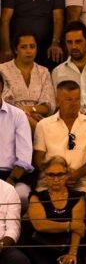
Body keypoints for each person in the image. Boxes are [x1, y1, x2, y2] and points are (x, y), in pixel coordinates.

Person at [33, 79, 86, 192]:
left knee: (84, 196)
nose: (74, 104)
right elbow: (38, 158)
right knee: (40, 198)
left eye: (77, 99)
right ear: (57, 101)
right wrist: (57, 175)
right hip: (49, 180)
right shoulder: (43, 125)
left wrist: (76, 175)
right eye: (69, 100)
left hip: (82, 180)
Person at [26, 154, 85, 264]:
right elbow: (40, 225)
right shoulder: (36, 197)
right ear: (45, 175)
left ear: (67, 175)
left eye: (60, 174)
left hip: (68, 247)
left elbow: (78, 229)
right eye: (51, 175)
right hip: (41, 248)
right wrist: (70, 225)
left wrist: (72, 253)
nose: (56, 179)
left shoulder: (77, 197)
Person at [0, 33, 57, 133]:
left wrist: (31, 109)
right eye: (23, 47)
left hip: (39, 119)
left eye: (32, 46)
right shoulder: (2, 70)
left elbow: (49, 105)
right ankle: (45, 136)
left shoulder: (43, 72)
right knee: (23, 118)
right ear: (16, 50)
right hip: (8, 119)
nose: (28, 51)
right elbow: (4, 102)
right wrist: (25, 113)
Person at [0, 71, 35, 208]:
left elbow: (24, 159)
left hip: (11, 175)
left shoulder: (18, 115)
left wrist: (9, 182)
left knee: (21, 194)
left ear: (1, 87)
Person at [0, 179, 31, 264]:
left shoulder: (8, 190)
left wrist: (1, 244)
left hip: (1, 246)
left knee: (19, 260)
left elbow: (13, 228)